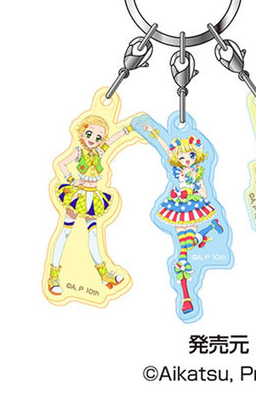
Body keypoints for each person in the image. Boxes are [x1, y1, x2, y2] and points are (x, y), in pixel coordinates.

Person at [48, 114, 133, 295]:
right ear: (82, 133)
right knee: (65, 232)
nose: (93, 140)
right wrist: (72, 180)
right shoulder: (79, 152)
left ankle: (104, 274)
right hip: (78, 196)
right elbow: (62, 164)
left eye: (98, 137)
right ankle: (53, 275)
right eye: (90, 134)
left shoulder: (99, 152)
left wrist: (128, 130)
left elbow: (112, 141)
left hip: (92, 198)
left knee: (93, 234)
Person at [143, 124, 223, 313]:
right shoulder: (177, 170)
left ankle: (186, 297)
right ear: (177, 159)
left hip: (192, 206)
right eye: (182, 157)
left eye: (191, 156)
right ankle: (186, 297)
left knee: (186, 248)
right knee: (184, 246)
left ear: (196, 156)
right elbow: (166, 149)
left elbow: (203, 190)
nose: (186, 160)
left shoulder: (197, 172)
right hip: (178, 207)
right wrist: (152, 132)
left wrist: (198, 194)